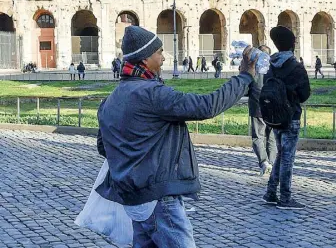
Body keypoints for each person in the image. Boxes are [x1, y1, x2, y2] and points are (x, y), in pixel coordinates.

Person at [96, 26, 257, 247]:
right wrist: (244, 78)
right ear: (144, 58)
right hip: (159, 198)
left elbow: (104, 147)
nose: (163, 58)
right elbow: (206, 106)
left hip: (133, 198)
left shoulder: (112, 98)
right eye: (159, 52)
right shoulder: (152, 94)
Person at [262, 26, 311, 210]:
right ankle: (285, 198)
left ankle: (270, 193)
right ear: (292, 46)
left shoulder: (271, 66)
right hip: (291, 117)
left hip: (274, 116)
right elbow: (305, 94)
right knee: (287, 158)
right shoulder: (296, 67)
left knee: (281, 155)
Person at [247, 45, 277, 176]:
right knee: (271, 137)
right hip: (273, 107)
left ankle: (264, 162)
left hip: (257, 107)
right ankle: (272, 163)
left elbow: (247, 86)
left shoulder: (253, 68)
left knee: (258, 136)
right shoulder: (275, 68)